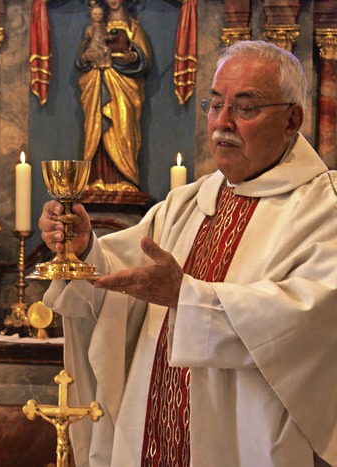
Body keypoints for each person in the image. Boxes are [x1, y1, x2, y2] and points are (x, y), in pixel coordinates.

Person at [40, 40, 337, 466]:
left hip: (241, 441)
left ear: (292, 119)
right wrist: (82, 247)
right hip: (152, 432)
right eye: (214, 105)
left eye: (245, 107)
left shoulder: (322, 208)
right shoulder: (188, 202)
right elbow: (116, 283)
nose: (222, 123)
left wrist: (187, 298)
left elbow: (311, 317)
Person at [76, 0, 152, 192]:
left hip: (124, 86)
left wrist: (133, 57)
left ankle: (125, 177)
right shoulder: (94, 28)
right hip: (96, 82)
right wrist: (87, 57)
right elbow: (81, 58)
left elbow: (144, 59)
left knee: (123, 127)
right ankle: (96, 179)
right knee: (97, 128)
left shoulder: (133, 27)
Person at [80, 4, 112, 70]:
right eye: (95, 14)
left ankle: (106, 64)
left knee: (107, 50)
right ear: (91, 15)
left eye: (99, 14)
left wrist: (110, 37)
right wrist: (90, 34)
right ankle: (100, 64)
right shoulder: (90, 27)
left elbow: (104, 36)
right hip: (95, 45)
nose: (97, 16)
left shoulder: (103, 28)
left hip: (102, 44)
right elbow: (87, 37)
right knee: (99, 52)